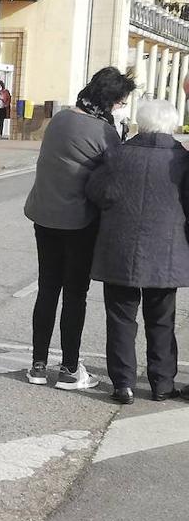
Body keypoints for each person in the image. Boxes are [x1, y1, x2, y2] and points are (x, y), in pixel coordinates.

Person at [23, 66, 136, 390]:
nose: (120, 108)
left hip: (43, 216)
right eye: (120, 102)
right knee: (75, 295)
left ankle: (38, 365)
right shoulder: (105, 133)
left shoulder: (58, 119)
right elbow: (113, 181)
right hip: (79, 224)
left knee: (47, 289)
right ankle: (70, 368)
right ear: (110, 100)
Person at [85, 99, 189, 404]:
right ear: (172, 125)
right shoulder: (181, 160)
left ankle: (123, 384)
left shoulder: (118, 154)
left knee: (120, 318)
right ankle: (161, 384)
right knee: (161, 319)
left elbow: (97, 192)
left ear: (140, 124)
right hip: (166, 254)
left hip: (120, 249)